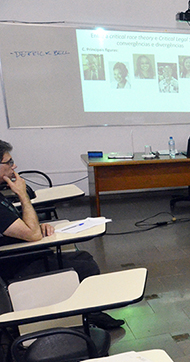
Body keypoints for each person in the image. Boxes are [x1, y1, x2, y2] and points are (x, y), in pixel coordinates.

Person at [0, 140, 123, 329]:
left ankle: (90, 313)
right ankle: (84, 316)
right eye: (9, 162)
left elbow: (22, 228)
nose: (14, 166)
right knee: (84, 268)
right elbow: (31, 235)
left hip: (23, 253)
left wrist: (37, 227)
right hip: (15, 265)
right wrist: (22, 195)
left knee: (84, 257)